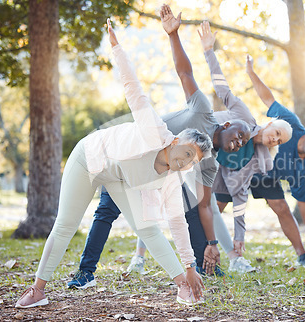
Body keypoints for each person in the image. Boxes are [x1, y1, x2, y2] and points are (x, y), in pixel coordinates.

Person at [15, 19, 213, 309]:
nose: (183, 162)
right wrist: (117, 48)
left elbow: (177, 223)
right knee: (65, 225)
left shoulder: (172, 178)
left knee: (148, 229)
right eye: (185, 152)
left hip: (119, 178)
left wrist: (190, 266)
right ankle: (37, 290)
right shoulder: (154, 130)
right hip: (89, 159)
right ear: (174, 142)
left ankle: (183, 286)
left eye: (190, 161)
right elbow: (133, 89)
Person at [66, 5, 252, 289]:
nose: (239, 142)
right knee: (106, 211)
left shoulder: (210, 162)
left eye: (243, 144)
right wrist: (173, 35)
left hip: (160, 177)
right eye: (240, 135)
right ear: (228, 125)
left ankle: (203, 267)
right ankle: (85, 272)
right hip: (130, 159)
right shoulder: (203, 111)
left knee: (189, 207)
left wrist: (212, 243)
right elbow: (185, 73)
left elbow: (205, 207)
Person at [125, 21, 294, 275]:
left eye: (279, 141)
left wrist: (240, 234)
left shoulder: (260, 159)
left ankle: (228, 257)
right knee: (161, 198)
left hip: (204, 157)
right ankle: (140, 255)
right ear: (269, 123)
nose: (275, 140)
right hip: (187, 138)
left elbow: (241, 195)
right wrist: (208, 51)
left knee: (205, 206)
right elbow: (219, 86)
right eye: (277, 133)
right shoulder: (241, 118)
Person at [220, 53, 305, 267]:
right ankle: (200, 242)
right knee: (218, 204)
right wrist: (251, 73)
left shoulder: (304, 168)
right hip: (246, 163)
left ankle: (302, 255)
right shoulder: (291, 123)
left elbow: (304, 203)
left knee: (282, 207)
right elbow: (268, 99)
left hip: (266, 178)